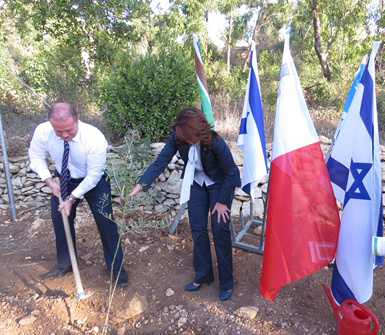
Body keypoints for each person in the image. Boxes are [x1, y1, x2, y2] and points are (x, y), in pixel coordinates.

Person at [129, 107, 240, 301]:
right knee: (197, 228)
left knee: (220, 229)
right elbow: (161, 161)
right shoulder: (179, 135)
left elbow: (232, 173)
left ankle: (227, 282)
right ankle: (203, 275)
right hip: (196, 182)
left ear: (199, 132)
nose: (186, 142)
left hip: (219, 186)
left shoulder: (216, 142)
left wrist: (222, 202)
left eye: (190, 138)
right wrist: (140, 185)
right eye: (184, 138)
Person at [29, 102, 128, 287]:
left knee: (106, 221)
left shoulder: (94, 137)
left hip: (94, 181)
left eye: (68, 130)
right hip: (63, 179)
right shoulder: (43, 132)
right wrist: (49, 181)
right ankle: (65, 264)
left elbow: (93, 176)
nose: (64, 135)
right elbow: (35, 157)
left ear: (77, 119)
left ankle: (116, 266)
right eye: (58, 132)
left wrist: (72, 198)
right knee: (60, 219)